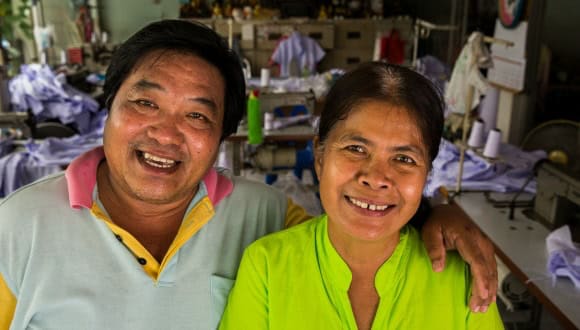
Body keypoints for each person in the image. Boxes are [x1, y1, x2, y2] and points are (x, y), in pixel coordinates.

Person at [0, 20, 495, 329]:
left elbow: (358, 233)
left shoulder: (267, 216)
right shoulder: (16, 227)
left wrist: (437, 212)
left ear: (222, 138)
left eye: (197, 116)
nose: (166, 133)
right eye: (145, 102)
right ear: (108, 105)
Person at [219, 62, 503, 329]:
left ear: (427, 174)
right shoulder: (267, 267)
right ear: (320, 157)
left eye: (404, 159)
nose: (377, 178)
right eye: (356, 149)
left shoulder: (464, 277)